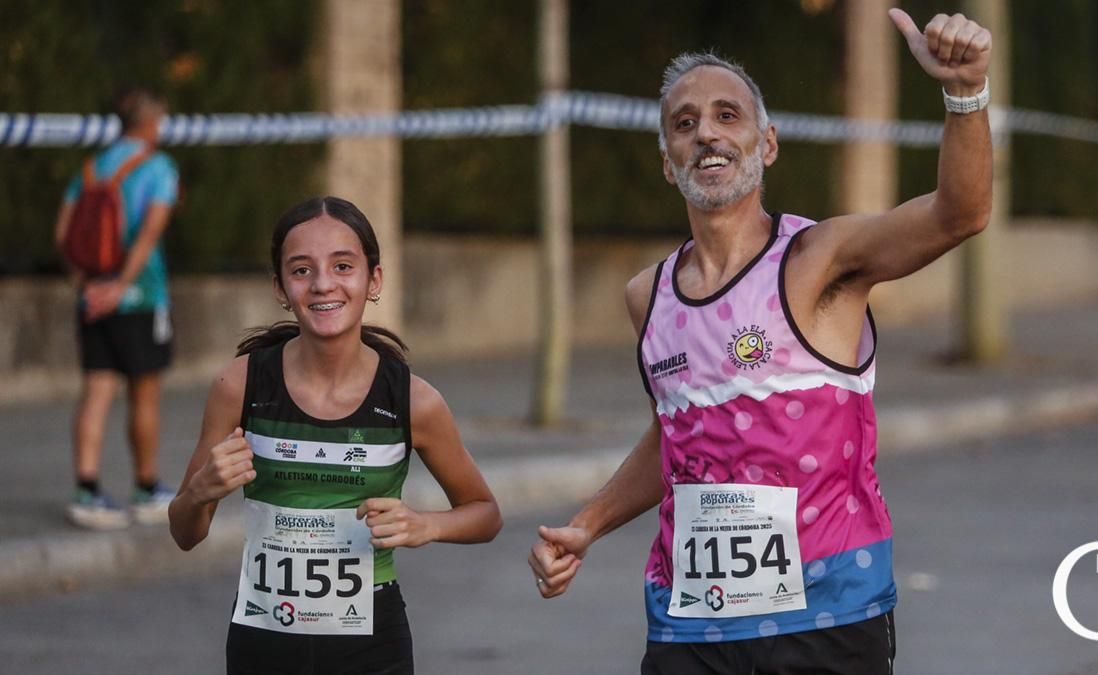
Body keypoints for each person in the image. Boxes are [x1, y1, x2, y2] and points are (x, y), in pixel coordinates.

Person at [529, 9, 992, 674]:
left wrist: (965, 93)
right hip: (689, 621)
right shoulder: (648, 295)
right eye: (684, 123)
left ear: (767, 143)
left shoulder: (819, 258)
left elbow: (960, 213)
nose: (706, 133)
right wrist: (588, 523)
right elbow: (676, 435)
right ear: (668, 164)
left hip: (827, 613)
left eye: (728, 116)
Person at [169, 196, 502, 675]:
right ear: (280, 287)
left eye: (343, 266)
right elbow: (184, 533)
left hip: (372, 646)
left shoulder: (414, 400)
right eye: (301, 270)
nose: (323, 283)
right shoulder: (240, 384)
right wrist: (201, 490)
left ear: (374, 280)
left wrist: (425, 526)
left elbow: (486, 514)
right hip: (263, 641)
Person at [53, 88, 180, 529]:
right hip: (141, 298)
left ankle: (86, 491)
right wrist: (121, 285)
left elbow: (63, 234)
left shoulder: (91, 168)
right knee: (144, 394)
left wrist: (87, 286)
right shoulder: (158, 167)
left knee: (96, 390)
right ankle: (146, 488)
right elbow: (150, 232)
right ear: (152, 124)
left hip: (92, 299)